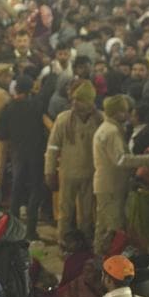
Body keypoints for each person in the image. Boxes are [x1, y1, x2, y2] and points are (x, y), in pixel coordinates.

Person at [92, 95, 149, 254]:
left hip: (105, 185)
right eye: (125, 111)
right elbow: (120, 160)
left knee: (102, 227)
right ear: (117, 112)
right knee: (114, 229)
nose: (128, 115)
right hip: (112, 187)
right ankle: (110, 265)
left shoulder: (105, 128)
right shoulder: (112, 131)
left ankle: (98, 260)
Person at [44, 79, 101, 241]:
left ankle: (83, 244)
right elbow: (52, 147)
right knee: (65, 213)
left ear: (90, 102)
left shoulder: (99, 120)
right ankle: (64, 242)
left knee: (87, 213)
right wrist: (49, 172)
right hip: (67, 174)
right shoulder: (63, 119)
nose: (75, 103)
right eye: (73, 99)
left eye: (80, 100)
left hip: (90, 175)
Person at [0, 74, 48, 240]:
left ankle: (14, 229)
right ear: (31, 89)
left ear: (16, 90)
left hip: (17, 152)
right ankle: (31, 230)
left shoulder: (8, 108)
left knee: (16, 190)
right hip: (36, 153)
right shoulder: (37, 106)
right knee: (35, 189)